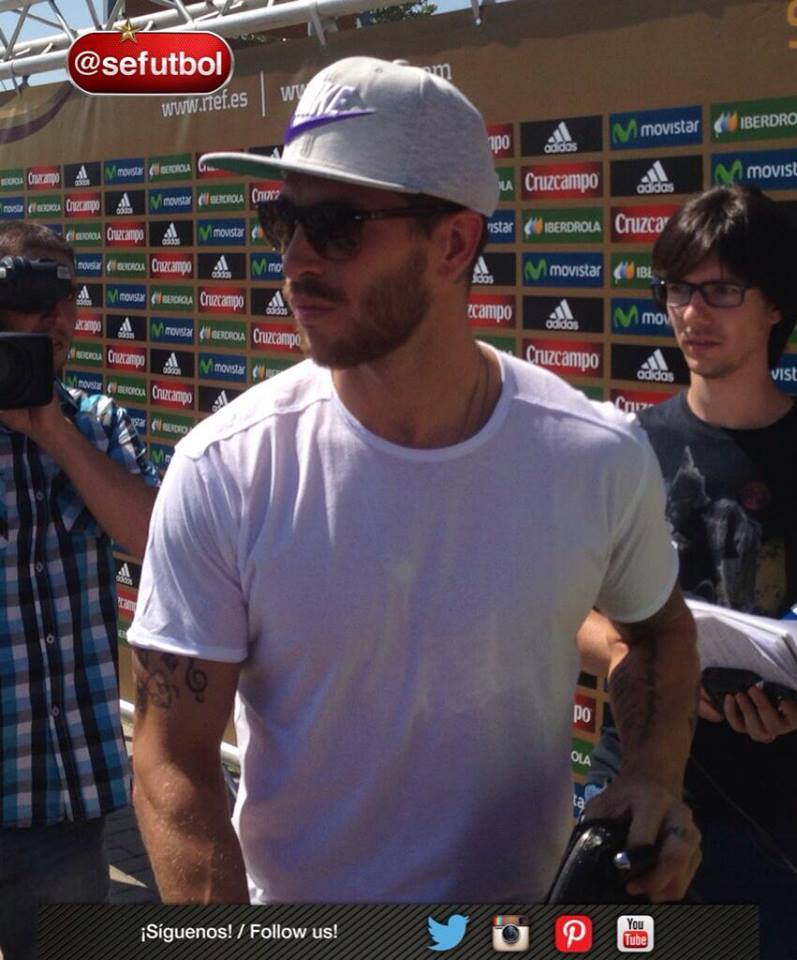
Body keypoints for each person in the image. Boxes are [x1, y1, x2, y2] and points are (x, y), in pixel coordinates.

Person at [128, 55, 701, 906]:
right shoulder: (227, 467)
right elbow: (171, 755)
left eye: (336, 225)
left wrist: (652, 773)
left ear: (453, 243)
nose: (294, 259)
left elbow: (654, 632)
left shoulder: (594, 454)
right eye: (282, 220)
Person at [580, 185, 797, 959]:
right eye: (677, 289)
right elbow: (571, 611)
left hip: (779, 822)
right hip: (640, 797)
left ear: (774, 306)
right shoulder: (621, 448)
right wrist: (658, 664)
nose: (691, 313)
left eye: (721, 290)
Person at [0, 223, 160, 960]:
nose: (57, 319)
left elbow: (154, 538)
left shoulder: (98, 423)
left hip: (56, 793)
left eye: (68, 298)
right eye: (34, 297)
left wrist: (53, 433)